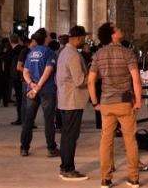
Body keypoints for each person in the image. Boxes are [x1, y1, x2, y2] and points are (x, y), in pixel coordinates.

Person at [88, 22, 143, 188]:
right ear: (113, 34)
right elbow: (136, 79)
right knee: (130, 140)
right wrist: (139, 101)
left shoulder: (98, 55)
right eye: (117, 28)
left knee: (106, 141)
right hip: (125, 103)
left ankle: (105, 178)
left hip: (106, 103)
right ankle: (133, 178)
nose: (120, 29)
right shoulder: (127, 53)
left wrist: (95, 102)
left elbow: (90, 81)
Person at [56, 26, 89, 181]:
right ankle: (68, 168)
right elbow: (79, 80)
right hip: (73, 100)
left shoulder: (63, 52)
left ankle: (65, 166)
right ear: (78, 38)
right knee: (70, 136)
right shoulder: (73, 55)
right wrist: (94, 76)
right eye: (83, 38)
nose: (85, 41)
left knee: (66, 135)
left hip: (64, 98)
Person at [20, 28, 58, 157]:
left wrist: (31, 85)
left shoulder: (31, 53)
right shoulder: (50, 52)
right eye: (48, 34)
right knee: (48, 120)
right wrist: (37, 88)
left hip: (31, 91)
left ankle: (24, 147)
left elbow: (25, 71)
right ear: (46, 38)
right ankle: (51, 148)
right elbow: (48, 71)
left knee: (28, 119)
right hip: (46, 90)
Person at [7, 34, 28, 125]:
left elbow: (9, 65)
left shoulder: (10, 51)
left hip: (17, 76)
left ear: (10, 41)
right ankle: (25, 118)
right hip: (24, 75)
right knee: (24, 98)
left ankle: (21, 118)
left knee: (20, 99)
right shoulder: (24, 49)